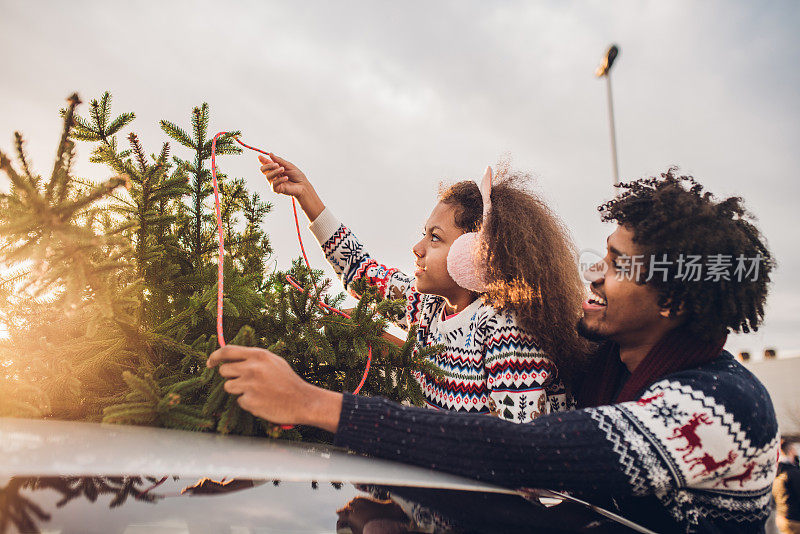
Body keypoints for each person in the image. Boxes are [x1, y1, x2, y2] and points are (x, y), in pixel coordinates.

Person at [208, 168, 778, 532]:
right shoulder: (605, 358)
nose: (594, 276)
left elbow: (525, 456)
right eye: (601, 256)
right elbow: (367, 274)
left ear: (673, 299)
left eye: (617, 266)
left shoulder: (717, 411)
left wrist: (314, 406)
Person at [257, 153, 589, 422]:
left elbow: (510, 451)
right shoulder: (426, 307)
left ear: (477, 254)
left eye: (435, 238)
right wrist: (307, 195)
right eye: (424, 233)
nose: (417, 248)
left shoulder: (507, 332)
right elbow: (361, 271)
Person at [774, 439, 800, 533]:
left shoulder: (777, 472)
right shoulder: (792, 473)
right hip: (795, 520)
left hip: (781, 517)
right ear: (790, 451)